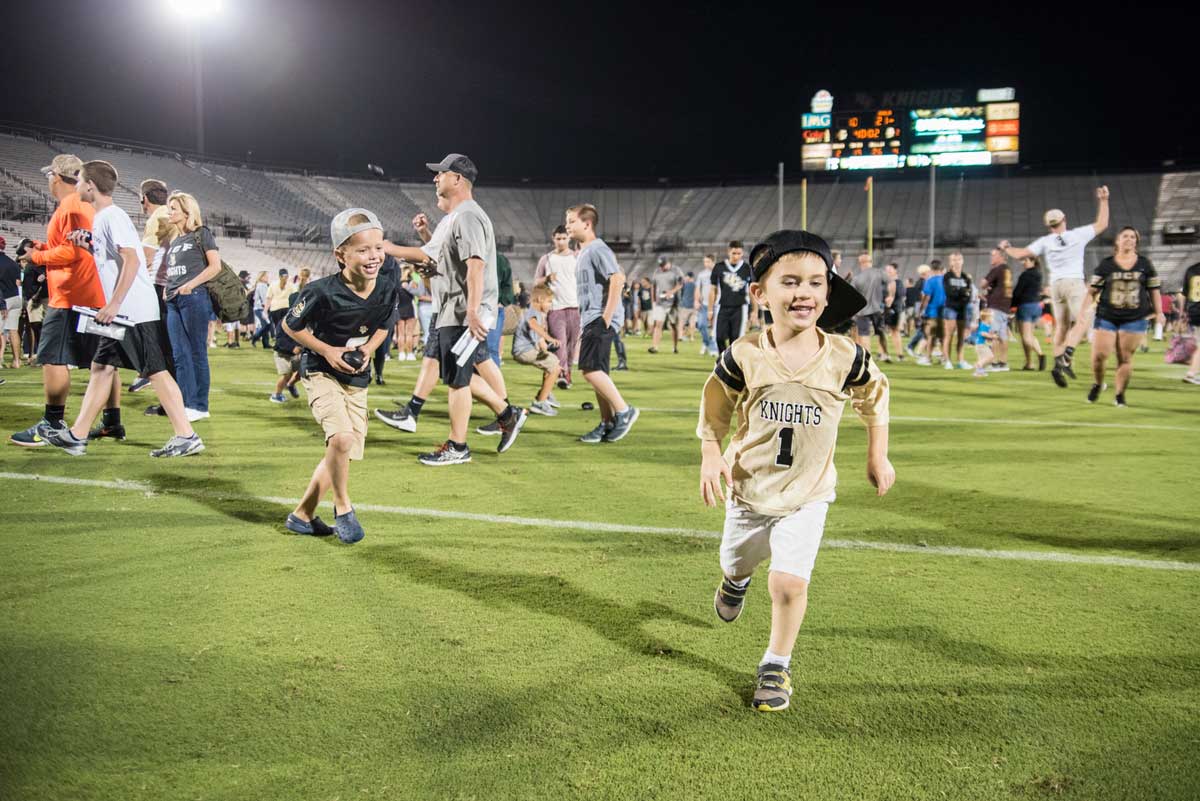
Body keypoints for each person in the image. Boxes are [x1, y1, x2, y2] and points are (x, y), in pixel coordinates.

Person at [698, 229, 892, 713]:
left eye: (814, 282)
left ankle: (775, 664)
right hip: (749, 491)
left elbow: (876, 397)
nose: (803, 292)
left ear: (828, 293)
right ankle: (734, 580)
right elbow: (715, 408)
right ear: (760, 293)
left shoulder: (846, 357)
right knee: (737, 562)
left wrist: (877, 454)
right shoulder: (744, 354)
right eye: (789, 282)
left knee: (789, 582)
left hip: (809, 493)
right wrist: (710, 452)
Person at [42, 160, 202, 458]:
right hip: (126, 310)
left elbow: (131, 259)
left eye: (79, 182)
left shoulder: (110, 216)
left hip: (131, 311)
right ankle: (77, 435)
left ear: (90, 185)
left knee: (155, 371)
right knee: (101, 367)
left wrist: (113, 304)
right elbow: (117, 257)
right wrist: (89, 244)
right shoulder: (105, 218)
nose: (76, 188)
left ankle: (186, 435)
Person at [283, 208, 399, 543]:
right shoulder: (320, 291)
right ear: (340, 254)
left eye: (378, 247)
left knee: (341, 449)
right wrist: (327, 350)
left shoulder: (388, 287)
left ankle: (302, 515)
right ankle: (343, 507)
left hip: (357, 380)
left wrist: (370, 349)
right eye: (362, 249)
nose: (373, 256)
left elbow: (386, 323)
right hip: (321, 372)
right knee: (342, 439)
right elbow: (290, 325)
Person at [415, 153, 526, 466]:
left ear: (457, 179)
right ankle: (506, 413)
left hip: (469, 311)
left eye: (441, 173)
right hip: (462, 310)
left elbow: (474, 267)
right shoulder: (458, 218)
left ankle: (460, 444)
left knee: (465, 373)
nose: (435, 178)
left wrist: (475, 311)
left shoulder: (468, 216)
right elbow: (442, 258)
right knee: (458, 373)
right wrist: (424, 236)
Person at [11, 154, 116, 448]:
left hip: (71, 294)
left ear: (57, 177)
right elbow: (72, 245)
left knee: (52, 357)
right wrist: (44, 247)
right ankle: (112, 420)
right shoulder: (85, 204)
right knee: (105, 358)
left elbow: (74, 253)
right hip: (93, 293)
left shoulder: (71, 204)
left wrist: (36, 257)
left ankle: (52, 422)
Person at [1000, 186, 1110, 385]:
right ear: (1064, 219)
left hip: (1056, 284)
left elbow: (1020, 254)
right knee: (1084, 320)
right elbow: (1102, 224)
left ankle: (1058, 365)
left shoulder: (1045, 241)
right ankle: (1067, 355)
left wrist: (1006, 247)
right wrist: (1103, 200)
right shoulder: (1078, 234)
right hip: (1074, 282)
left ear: (1049, 225)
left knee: (1062, 327)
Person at [566, 203, 638, 443]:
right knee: (599, 372)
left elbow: (617, 279)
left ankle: (624, 412)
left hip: (599, 318)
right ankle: (607, 422)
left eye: (571, 221)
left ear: (587, 224)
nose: (568, 226)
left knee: (589, 370)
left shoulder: (597, 248)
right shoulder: (585, 251)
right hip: (591, 318)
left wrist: (605, 318)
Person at [1079, 227, 1163, 406]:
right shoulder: (1107, 264)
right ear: (1117, 241)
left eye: (1133, 237)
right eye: (1125, 236)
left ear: (1136, 242)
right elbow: (1092, 290)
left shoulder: (1145, 264)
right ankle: (1098, 383)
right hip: (1107, 315)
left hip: (1134, 317)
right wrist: (1082, 312)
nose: (1129, 239)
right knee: (1099, 355)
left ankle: (1119, 394)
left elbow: (1154, 291)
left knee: (1124, 357)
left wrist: (1160, 312)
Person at [163, 192, 222, 421]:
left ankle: (199, 406)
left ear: (187, 212)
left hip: (194, 297)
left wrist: (191, 285)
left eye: (174, 208)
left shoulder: (202, 234)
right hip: (174, 300)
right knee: (179, 354)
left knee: (197, 351)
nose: (170, 212)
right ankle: (186, 404)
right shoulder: (175, 240)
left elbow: (214, 267)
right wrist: (167, 287)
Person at [535, 225, 580, 388]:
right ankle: (561, 374)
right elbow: (536, 282)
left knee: (571, 345)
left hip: (575, 307)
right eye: (558, 238)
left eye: (564, 238)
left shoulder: (577, 257)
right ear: (553, 239)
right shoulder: (546, 259)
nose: (561, 241)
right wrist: (547, 278)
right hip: (555, 308)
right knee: (559, 343)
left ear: (569, 238)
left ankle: (567, 374)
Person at [512, 286, 561, 416]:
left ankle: (545, 393)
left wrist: (546, 347)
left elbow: (538, 340)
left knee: (553, 361)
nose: (551, 305)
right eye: (549, 301)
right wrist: (549, 337)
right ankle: (540, 402)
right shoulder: (532, 312)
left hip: (527, 350)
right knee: (555, 368)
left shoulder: (536, 313)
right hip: (524, 351)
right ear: (540, 299)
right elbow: (533, 325)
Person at [709, 241, 755, 355]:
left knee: (736, 339)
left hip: (740, 307)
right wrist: (710, 309)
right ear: (728, 252)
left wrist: (755, 310)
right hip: (722, 306)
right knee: (719, 337)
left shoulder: (747, 268)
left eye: (739, 253)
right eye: (734, 253)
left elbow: (752, 291)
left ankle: (731, 365)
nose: (736, 256)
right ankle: (723, 359)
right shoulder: (719, 267)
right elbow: (712, 290)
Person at [979, 248, 1013, 371]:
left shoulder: (997, 269)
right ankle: (1003, 363)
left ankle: (993, 363)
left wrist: (985, 285)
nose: (991, 258)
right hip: (1004, 306)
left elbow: (983, 284)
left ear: (1001, 257)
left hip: (996, 306)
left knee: (993, 335)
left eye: (994, 255)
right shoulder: (1007, 269)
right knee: (1003, 336)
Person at [850, 252, 889, 361]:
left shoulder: (857, 278)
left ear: (860, 263)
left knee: (864, 334)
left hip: (862, 310)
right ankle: (884, 354)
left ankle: (868, 358)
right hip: (878, 308)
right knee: (881, 332)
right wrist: (890, 296)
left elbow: (852, 295)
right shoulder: (880, 273)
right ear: (870, 262)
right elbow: (891, 283)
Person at [940, 251, 973, 370]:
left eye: (959, 259)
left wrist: (961, 292)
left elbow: (970, 294)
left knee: (961, 336)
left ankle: (961, 360)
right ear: (950, 262)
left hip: (962, 309)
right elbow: (950, 292)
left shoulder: (966, 277)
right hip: (950, 308)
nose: (957, 262)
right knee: (948, 335)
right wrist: (962, 292)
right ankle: (947, 360)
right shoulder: (947, 276)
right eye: (954, 260)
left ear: (962, 261)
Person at [648, 256, 683, 354]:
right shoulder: (657, 272)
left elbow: (680, 284)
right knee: (658, 324)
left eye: (663, 265)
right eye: (660, 266)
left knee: (673, 325)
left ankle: (675, 347)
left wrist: (671, 292)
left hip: (674, 303)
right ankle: (655, 347)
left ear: (668, 263)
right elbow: (653, 286)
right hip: (660, 302)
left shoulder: (676, 271)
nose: (662, 267)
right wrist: (653, 300)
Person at [485, 251, 515, 366]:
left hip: (493, 309)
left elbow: (507, 284)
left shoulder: (500, 260)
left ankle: (492, 382)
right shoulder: (468, 255)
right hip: (474, 307)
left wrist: (502, 301)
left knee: (491, 348)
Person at [914, 261, 946, 365]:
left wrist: (921, 310)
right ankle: (944, 358)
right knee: (942, 337)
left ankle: (928, 358)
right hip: (945, 312)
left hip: (932, 312)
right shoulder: (946, 280)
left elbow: (926, 297)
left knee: (930, 335)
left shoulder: (930, 281)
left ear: (931, 270)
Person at [0, 237, 21, 368]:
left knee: (0, 332)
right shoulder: (13, 263)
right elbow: (18, 282)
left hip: (3, 299)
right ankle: (17, 361)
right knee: (13, 330)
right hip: (15, 297)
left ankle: (0, 360)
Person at [1182, 262, 1200, 385]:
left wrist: (1183, 312)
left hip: (1194, 310)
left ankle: (1192, 372)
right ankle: (1191, 373)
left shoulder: (1191, 269)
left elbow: (1185, 293)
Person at [696, 255, 717, 355]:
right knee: (701, 325)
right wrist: (696, 300)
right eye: (704, 262)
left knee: (715, 327)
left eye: (708, 261)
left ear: (713, 261)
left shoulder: (719, 272)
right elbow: (697, 288)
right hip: (704, 304)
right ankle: (706, 343)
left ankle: (713, 347)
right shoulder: (701, 274)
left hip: (716, 304)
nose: (706, 264)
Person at [968, 308, 999, 378]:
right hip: (981, 345)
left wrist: (991, 335)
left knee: (982, 358)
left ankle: (979, 372)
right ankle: (978, 365)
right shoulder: (983, 325)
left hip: (981, 345)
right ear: (987, 318)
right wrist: (992, 336)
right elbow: (982, 333)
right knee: (990, 357)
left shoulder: (987, 325)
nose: (993, 319)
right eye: (992, 317)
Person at [883, 262, 904, 360]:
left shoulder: (894, 282)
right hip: (897, 309)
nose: (887, 272)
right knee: (894, 332)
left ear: (895, 270)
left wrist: (887, 308)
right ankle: (899, 355)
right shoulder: (898, 282)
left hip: (892, 309)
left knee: (886, 332)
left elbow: (890, 298)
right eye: (886, 270)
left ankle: (884, 354)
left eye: (889, 269)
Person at [250, 271, 273, 348]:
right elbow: (264, 298)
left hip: (259, 308)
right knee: (267, 325)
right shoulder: (262, 285)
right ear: (262, 277)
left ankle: (265, 344)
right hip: (261, 308)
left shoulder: (260, 285)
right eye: (266, 276)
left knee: (265, 325)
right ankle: (255, 337)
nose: (267, 277)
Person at [678, 271, 698, 342]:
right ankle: (692, 337)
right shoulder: (696, 285)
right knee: (692, 323)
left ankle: (680, 336)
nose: (685, 278)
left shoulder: (685, 284)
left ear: (689, 277)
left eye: (686, 277)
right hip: (693, 306)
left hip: (685, 306)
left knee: (681, 322)